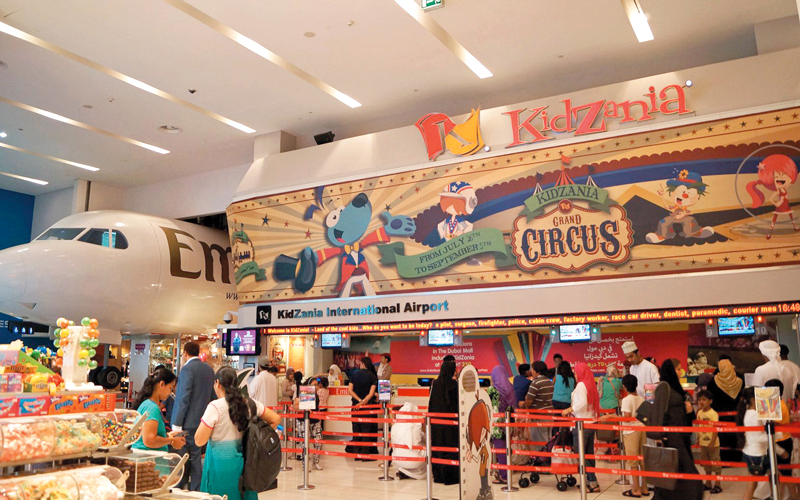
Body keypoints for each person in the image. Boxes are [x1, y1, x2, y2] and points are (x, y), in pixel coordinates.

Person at [194, 367, 280, 500]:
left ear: (217, 383)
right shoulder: (249, 403)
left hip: (220, 468)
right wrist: (257, 436)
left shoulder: (215, 407)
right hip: (247, 467)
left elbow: (199, 440)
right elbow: (275, 419)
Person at [648, 360, 702, 500]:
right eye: (678, 369)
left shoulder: (675, 388)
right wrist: (662, 435)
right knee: (686, 474)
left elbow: (680, 411)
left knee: (676, 475)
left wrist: (688, 410)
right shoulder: (663, 387)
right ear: (671, 370)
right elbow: (660, 412)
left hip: (681, 437)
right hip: (671, 439)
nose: (680, 372)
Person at [172, 342, 214, 491]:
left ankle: (180, 487)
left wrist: (176, 424)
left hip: (187, 422)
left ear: (185, 353)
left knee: (182, 457)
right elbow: (212, 396)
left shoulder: (187, 369)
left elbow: (183, 398)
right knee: (196, 456)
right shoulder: (209, 370)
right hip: (203, 421)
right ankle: (197, 488)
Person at [561, 362, 600, 492]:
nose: (575, 375)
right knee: (589, 453)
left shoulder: (581, 385)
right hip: (591, 423)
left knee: (580, 452)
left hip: (582, 424)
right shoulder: (590, 384)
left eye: (576, 373)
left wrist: (569, 409)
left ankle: (592, 481)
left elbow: (582, 403)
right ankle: (590, 481)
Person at [132, 368, 187, 452]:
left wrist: (167, 435)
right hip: (148, 457)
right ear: (161, 384)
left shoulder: (147, 404)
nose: (170, 393)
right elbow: (149, 440)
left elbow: (150, 434)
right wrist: (171, 440)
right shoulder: (152, 407)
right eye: (170, 388)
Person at [428, 359, 459, 485]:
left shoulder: (435, 384)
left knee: (438, 447)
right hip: (451, 424)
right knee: (450, 448)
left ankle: (438, 476)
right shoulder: (455, 385)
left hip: (437, 424)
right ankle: (451, 476)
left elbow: (431, 403)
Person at [738, 387, 769, 500]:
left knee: (753, 484)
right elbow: (759, 437)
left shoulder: (749, 413)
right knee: (752, 485)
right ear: (753, 399)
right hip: (756, 454)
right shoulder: (754, 415)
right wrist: (776, 435)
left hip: (752, 452)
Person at [619, 374, 647, 497]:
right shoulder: (641, 399)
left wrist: (612, 416)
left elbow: (627, 417)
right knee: (642, 459)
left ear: (624, 387)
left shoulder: (626, 400)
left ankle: (635, 489)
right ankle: (644, 487)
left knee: (633, 460)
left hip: (631, 431)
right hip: (642, 428)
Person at [490, 365, 516, 483]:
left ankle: (504, 476)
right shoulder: (510, 388)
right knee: (507, 448)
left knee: (500, 449)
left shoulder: (492, 390)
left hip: (497, 425)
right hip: (508, 422)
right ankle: (507, 472)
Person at [348, 357, 379, 460]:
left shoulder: (354, 375)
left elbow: (350, 390)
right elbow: (371, 393)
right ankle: (365, 454)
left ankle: (356, 454)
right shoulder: (372, 376)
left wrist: (358, 401)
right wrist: (363, 402)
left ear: (362, 364)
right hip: (367, 407)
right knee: (366, 430)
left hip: (355, 406)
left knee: (356, 430)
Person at [521, 361, 554, 452]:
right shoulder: (548, 381)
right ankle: (548, 458)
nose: (531, 371)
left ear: (537, 371)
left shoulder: (535, 383)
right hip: (549, 415)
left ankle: (542, 459)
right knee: (548, 440)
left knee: (540, 443)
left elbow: (529, 401)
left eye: (532, 369)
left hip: (538, 417)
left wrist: (523, 405)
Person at [695, 389, 722, 494]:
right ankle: (708, 483)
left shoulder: (713, 414)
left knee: (716, 464)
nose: (701, 402)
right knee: (706, 464)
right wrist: (698, 438)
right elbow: (699, 426)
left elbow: (715, 429)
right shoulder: (699, 413)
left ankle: (718, 484)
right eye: (699, 400)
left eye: (704, 400)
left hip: (713, 444)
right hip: (703, 443)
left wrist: (712, 442)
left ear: (710, 401)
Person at [392, 402, 426, 480]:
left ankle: (403, 471)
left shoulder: (395, 426)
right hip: (415, 461)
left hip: (397, 460)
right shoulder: (418, 424)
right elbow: (426, 439)